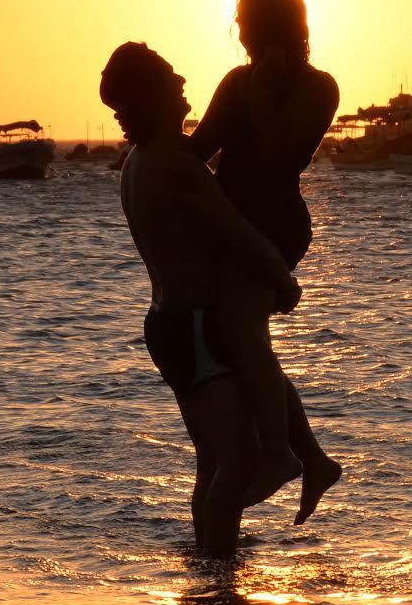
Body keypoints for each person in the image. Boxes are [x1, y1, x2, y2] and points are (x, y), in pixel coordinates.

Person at [101, 41, 300, 558]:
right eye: (170, 80)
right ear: (154, 98)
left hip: (168, 325)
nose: (182, 84)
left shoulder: (138, 162)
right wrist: (283, 279)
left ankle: (207, 568)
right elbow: (238, 233)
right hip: (192, 326)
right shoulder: (173, 164)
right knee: (236, 464)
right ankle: (219, 576)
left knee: (212, 461)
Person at [188, 0, 343, 524]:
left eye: (249, 18)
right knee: (240, 343)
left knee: (240, 332)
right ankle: (313, 458)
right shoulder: (235, 81)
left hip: (275, 224)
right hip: (231, 222)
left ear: (274, 24)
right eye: (239, 18)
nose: (240, 29)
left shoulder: (319, 87)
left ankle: (281, 454)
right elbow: (199, 150)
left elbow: (279, 152)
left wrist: (265, 82)